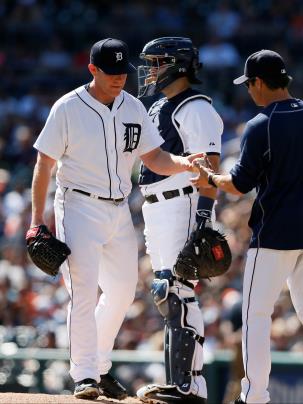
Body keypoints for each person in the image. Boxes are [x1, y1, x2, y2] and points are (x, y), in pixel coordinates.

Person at [29, 37, 201, 401]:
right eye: (110, 72)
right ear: (92, 69)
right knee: (84, 292)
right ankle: (85, 375)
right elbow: (44, 164)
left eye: (123, 71)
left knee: (122, 292)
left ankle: (99, 366)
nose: (119, 77)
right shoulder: (68, 107)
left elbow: (154, 157)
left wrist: (183, 163)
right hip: (78, 205)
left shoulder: (133, 106)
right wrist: (36, 220)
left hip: (119, 208)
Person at [191, 50, 303, 404]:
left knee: (256, 313)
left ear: (258, 82)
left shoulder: (261, 124)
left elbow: (238, 184)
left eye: (249, 84)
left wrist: (209, 176)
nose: (249, 91)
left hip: (275, 235)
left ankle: (254, 396)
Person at [135, 37, 223, 404]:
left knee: (176, 291)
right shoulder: (159, 106)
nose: (150, 69)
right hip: (157, 205)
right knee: (167, 291)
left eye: (156, 62)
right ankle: (181, 383)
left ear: (177, 64)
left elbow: (210, 167)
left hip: (183, 203)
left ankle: (188, 386)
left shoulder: (196, 107)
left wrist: (203, 218)